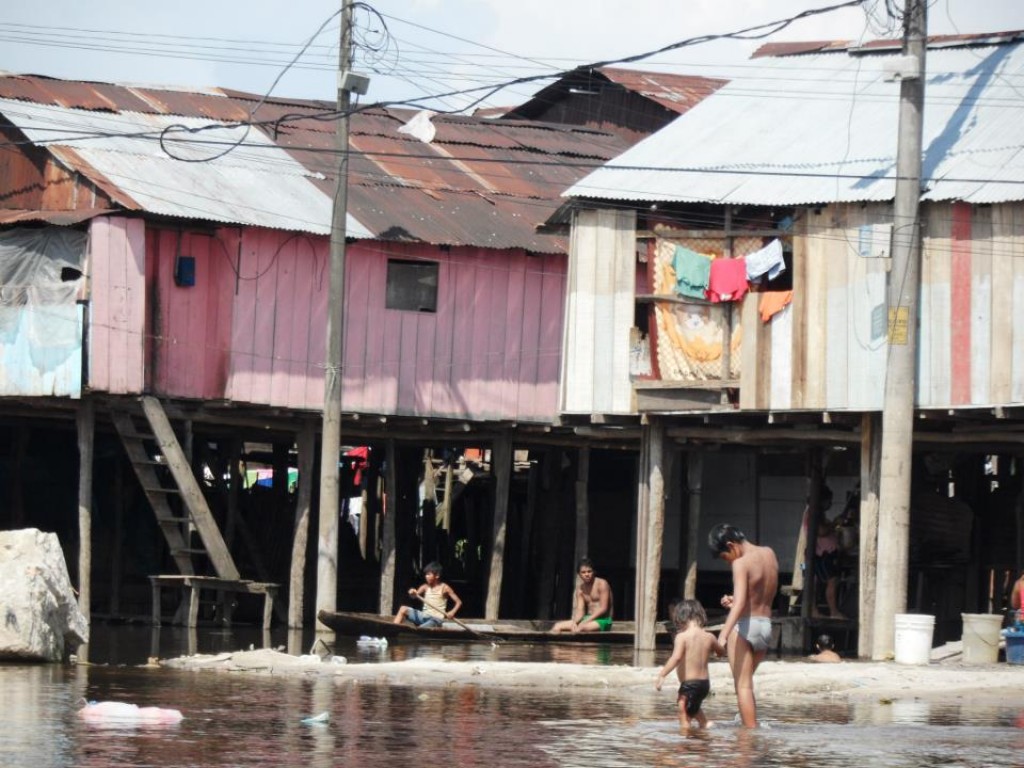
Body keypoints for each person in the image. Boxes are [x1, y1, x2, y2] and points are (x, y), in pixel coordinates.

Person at [708, 523, 778, 728]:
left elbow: (738, 606)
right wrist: (737, 600)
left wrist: (723, 635)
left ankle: (749, 739)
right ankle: (749, 724)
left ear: (731, 546)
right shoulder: (769, 553)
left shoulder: (741, 563)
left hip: (746, 627)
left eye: (724, 557)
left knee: (743, 686)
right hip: (765, 627)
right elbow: (761, 594)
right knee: (746, 683)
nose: (727, 562)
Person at [655, 599, 725, 732]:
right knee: (693, 707)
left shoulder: (682, 637)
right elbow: (721, 651)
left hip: (690, 684)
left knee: (683, 709)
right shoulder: (709, 636)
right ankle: (705, 725)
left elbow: (676, 658)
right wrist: (719, 648)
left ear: (681, 618)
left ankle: (684, 737)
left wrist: (662, 674)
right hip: (704, 684)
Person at [551, 557, 613, 633]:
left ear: (593, 572)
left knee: (581, 629)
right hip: (588, 619)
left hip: (604, 620)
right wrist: (575, 622)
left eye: (589, 571)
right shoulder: (580, 589)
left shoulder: (602, 584)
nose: (587, 574)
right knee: (557, 626)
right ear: (579, 574)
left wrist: (585, 622)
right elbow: (580, 611)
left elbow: (603, 608)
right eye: (583, 572)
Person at [393, 561, 462, 628]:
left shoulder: (445, 588)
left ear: (437, 575)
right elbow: (414, 596)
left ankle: (420, 630)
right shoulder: (425, 587)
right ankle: (393, 631)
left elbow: (458, 602)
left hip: (436, 619)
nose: (426, 576)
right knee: (403, 609)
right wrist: (412, 592)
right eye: (426, 574)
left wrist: (452, 612)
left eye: (429, 574)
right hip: (423, 617)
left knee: (425, 626)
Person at [813, 487, 847, 620]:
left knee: (830, 582)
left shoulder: (819, 514)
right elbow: (821, 531)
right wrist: (834, 523)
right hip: (821, 555)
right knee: (831, 581)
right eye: (829, 501)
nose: (830, 504)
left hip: (826, 554)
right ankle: (833, 611)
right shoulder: (814, 513)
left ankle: (822, 610)